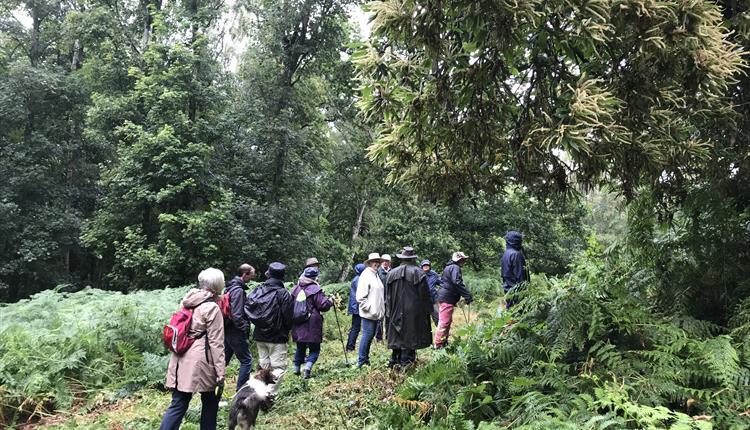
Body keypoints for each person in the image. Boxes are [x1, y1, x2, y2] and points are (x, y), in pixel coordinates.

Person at [160, 268, 226, 430]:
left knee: (178, 403)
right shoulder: (211, 307)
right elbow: (216, 343)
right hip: (203, 361)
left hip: (181, 356)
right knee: (210, 402)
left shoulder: (188, 300)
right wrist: (221, 372)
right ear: (218, 284)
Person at [385, 247, 433, 368]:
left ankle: (394, 362)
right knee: (411, 338)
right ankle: (406, 364)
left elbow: (387, 296)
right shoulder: (419, 273)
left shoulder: (391, 274)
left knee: (397, 337)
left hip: (395, 310)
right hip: (413, 312)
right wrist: (428, 311)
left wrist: (389, 311)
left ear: (401, 258)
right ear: (412, 259)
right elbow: (425, 295)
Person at [246, 262, 294, 370]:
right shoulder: (283, 293)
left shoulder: (258, 290)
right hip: (277, 338)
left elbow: (249, 307)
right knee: (278, 369)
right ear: (282, 277)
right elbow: (288, 318)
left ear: (268, 274)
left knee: (264, 370)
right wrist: (287, 330)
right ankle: (269, 388)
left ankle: (261, 387)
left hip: (259, 336)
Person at [291, 266, 333, 378]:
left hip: (298, 320)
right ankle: (307, 368)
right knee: (314, 348)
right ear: (315, 277)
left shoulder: (295, 288)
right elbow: (322, 305)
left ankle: (296, 369)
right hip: (312, 323)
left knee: (300, 346)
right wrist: (330, 301)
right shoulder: (315, 289)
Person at [223, 264, 255, 390]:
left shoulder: (230, 288)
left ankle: (211, 389)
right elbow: (237, 314)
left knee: (222, 362)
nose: (252, 277)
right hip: (235, 331)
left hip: (228, 329)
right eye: (251, 274)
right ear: (245, 274)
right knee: (246, 361)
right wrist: (244, 327)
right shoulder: (238, 291)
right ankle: (241, 392)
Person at [434, 252, 473, 349]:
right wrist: (467, 295)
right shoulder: (455, 267)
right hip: (447, 297)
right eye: (463, 259)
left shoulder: (449, 267)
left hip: (446, 296)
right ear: (459, 260)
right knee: (444, 321)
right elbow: (456, 282)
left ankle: (444, 341)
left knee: (447, 320)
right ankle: (438, 344)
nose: (464, 261)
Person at [356, 253, 385, 368]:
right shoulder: (366, 275)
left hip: (375, 314)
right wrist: (369, 309)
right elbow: (360, 297)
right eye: (374, 261)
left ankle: (365, 360)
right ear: (369, 263)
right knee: (367, 335)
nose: (376, 263)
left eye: (378, 261)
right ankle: (362, 361)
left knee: (370, 336)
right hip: (369, 314)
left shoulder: (375, 275)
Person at [502, 231, 527, 308]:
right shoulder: (516, 255)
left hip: (508, 291)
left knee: (510, 315)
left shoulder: (506, 253)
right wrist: (524, 294)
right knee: (517, 318)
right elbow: (521, 278)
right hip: (517, 295)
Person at [346, 263, 366, 352]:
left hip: (355, 306)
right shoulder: (359, 280)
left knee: (355, 327)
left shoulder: (356, 279)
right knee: (355, 328)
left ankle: (350, 346)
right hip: (357, 307)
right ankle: (350, 347)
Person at [420, 259, 442, 325]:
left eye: (427, 265)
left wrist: (440, 292)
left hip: (433, 300)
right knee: (423, 320)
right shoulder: (418, 274)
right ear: (421, 266)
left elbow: (442, 283)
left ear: (430, 266)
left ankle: (440, 333)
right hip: (422, 301)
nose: (426, 267)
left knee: (438, 317)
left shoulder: (434, 274)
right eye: (424, 265)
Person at [375, 254, 391, 342]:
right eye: (384, 261)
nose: (385, 262)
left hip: (389, 300)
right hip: (380, 299)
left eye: (387, 261)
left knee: (389, 319)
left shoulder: (392, 272)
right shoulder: (377, 272)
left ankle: (389, 337)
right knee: (379, 320)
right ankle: (379, 338)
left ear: (389, 262)